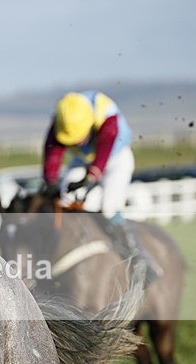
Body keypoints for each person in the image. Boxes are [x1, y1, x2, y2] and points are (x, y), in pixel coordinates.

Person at [41, 91, 156, 275]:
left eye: (80, 137)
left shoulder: (107, 115)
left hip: (116, 158)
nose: (77, 143)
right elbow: (53, 152)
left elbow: (102, 155)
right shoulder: (60, 119)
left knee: (109, 207)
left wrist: (90, 177)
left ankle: (138, 258)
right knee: (64, 200)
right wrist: (51, 180)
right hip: (84, 161)